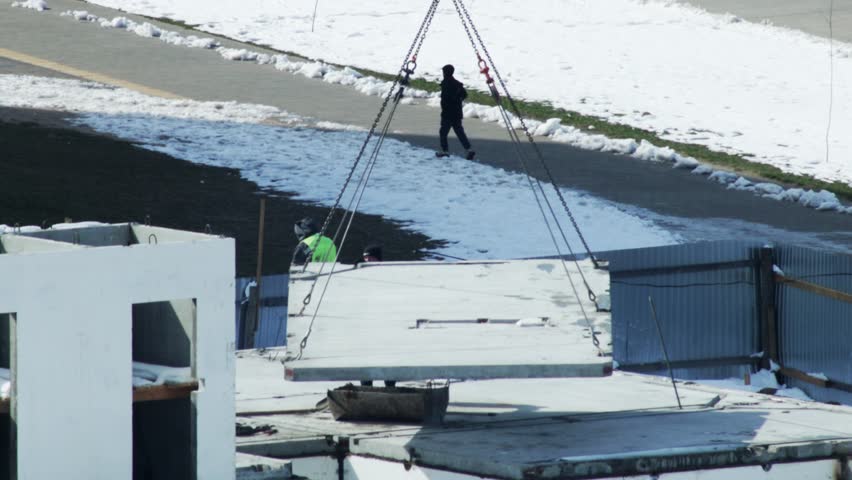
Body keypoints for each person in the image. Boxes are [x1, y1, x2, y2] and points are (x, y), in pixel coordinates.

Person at [436, 64, 475, 160]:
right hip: (457, 113)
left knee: (443, 132)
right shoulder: (457, 83)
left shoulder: (445, 83)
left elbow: (445, 99)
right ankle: (469, 149)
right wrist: (458, 100)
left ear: (445, 72)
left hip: (447, 113)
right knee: (459, 132)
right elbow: (464, 94)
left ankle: (445, 151)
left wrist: (448, 104)